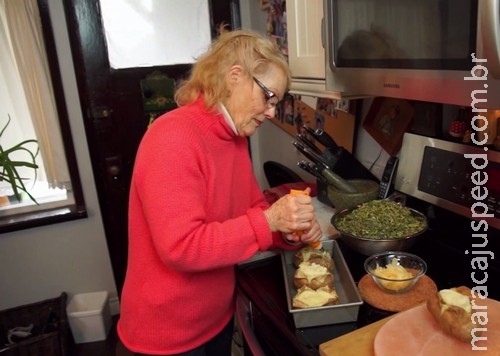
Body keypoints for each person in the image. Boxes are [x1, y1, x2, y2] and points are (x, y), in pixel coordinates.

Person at [117, 27, 323, 356]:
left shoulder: (234, 138)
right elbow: (181, 248)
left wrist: (289, 231)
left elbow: (254, 213)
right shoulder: (173, 137)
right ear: (235, 77)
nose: (271, 112)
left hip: (215, 319)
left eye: (277, 103)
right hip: (167, 337)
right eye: (269, 97)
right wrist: (270, 220)